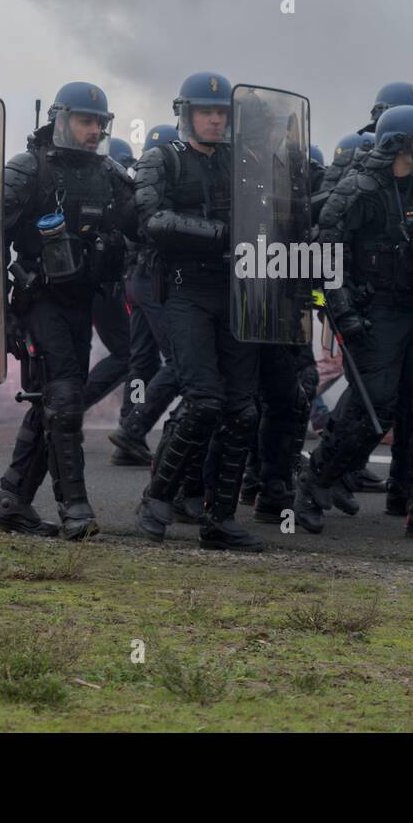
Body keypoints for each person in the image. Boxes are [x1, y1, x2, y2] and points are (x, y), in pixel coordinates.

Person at [295, 104, 413, 540]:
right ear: (400, 144)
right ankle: (315, 485)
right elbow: (328, 256)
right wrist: (345, 313)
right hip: (375, 316)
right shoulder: (358, 192)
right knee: (372, 408)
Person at [0, 82, 137, 539]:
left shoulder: (110, 174)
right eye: (85, 120)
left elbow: (142, 224)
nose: (94, 130)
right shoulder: (28, 169)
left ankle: (13, 499)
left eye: (100, 122)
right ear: (61, 120)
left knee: (52, 403)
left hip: (83, 302)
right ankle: (75, 508)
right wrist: (1, 314)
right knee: (64, 400)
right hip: (39, 302)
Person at [134, 72, 263, 552]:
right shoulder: (161, 159)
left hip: (238, 292)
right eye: (207, 111)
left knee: (242, 410)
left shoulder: (244, 162)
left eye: (222, 111)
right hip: (187, 292)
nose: (215, 118)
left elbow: (269, 212)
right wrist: (219, 235)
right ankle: (157, 500)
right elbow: (151, 219)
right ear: (186, 114)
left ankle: (221, 519)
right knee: (203, 400)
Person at [109, 124, 180, 465]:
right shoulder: (162, 184)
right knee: (180, 360)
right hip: (154, 281)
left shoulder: (137, 183)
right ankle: (134, 429)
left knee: (142, 360)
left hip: (136, 282)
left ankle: (128, 430)